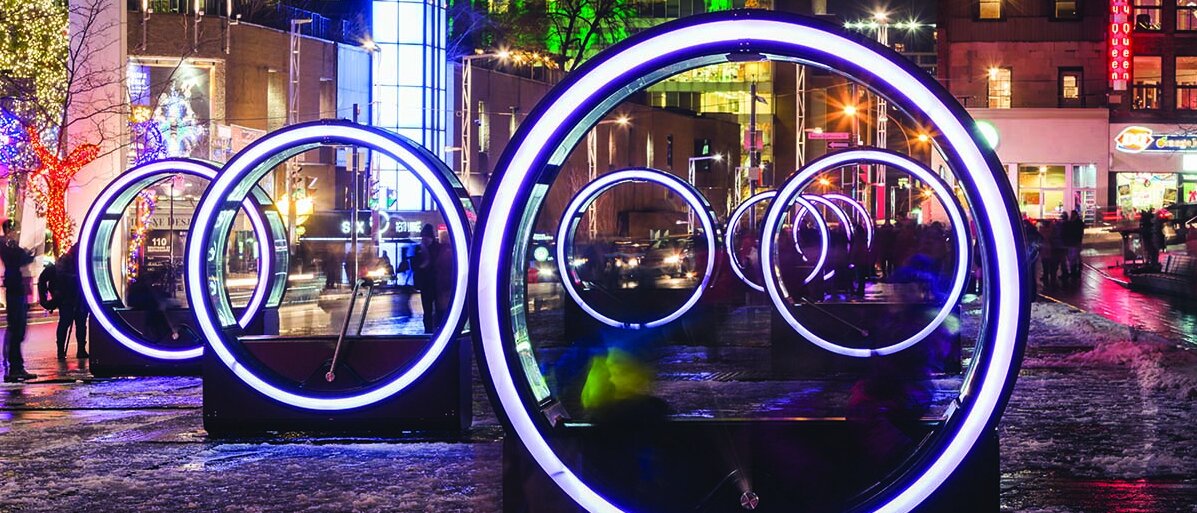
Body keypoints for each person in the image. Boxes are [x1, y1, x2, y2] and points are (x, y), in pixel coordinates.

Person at [2, 219, 35, 382]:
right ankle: (15, 366)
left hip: (17, 288)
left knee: (18, 327)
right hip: (14, 289)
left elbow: (22, 258)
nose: (16, 233)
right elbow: (18, 258)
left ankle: (15, 365)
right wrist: (27, 254)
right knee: (16, 327)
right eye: (13, 230)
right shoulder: (7, 245)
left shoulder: (10, 246)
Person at [54, 243, 89, 359]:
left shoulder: (83, 261)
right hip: (67, 297)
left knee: (81, 324)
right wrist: (74, 278)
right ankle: (60, 350)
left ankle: (81, 349)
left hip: (79, 297)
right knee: (65, 323)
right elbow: (60, 275)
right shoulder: (66, 260)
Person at [412, 224, 441, 333]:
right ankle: (428, 330)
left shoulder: (436, 248)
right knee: (427, 310)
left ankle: (434, 329)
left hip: (435, 284)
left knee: (437, 309)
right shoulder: (419, 249)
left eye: (425, 237)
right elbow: (414, 265)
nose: (424, 240)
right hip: (426, 284)